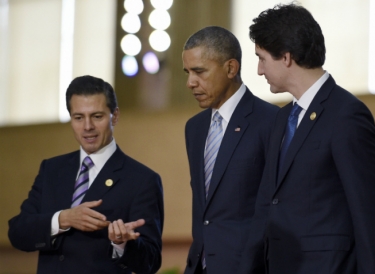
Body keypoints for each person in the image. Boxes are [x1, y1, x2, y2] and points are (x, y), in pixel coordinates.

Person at [238, 3, 375, 274]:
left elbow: (370, 215)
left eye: (261, 58)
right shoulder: (281, 119)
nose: (260, 70)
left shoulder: (347, 115)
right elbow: (265, 206)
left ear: (285, 57)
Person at [8, 75, 164, 274]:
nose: (87, 126)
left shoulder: (142, 180)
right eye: (78, 117)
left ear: (114, 116)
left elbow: (151, 261)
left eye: (97, 116)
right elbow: (18, 232)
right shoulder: (52, 170)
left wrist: (121, 245)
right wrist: (63, 219)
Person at [182, 26, 279, 274]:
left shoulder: (272, 122)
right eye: (188, 72)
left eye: (199, 72)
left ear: (231, 68)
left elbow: (274, 209)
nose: (190, 82)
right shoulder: (194, 128)